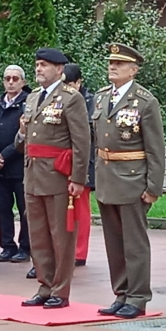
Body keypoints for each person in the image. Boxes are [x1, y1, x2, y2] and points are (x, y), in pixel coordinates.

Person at [94, 43, 165, 319]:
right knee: (114, 242)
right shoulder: (101, 98)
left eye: (120, 64)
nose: (113, 66)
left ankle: (137, 297)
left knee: (134, 244)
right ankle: (121, 293)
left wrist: (153, 187)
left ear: (133, 70)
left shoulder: (145, 101)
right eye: (111, 62)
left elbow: (155, 148)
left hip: (133, 180)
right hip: (107, 178)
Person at [16, 48, 90, 309]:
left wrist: (78, 177)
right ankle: (45, 285)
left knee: (61, 235)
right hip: (33, 174)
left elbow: (81, 141)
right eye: (37, 64)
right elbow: (23, 140)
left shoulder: (71, 98)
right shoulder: (33, 97)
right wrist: (22, 133)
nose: (39, 69)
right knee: (38, 235)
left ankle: (61, 289)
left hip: (58, 175)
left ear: (59, 69)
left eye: (45, 65)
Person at [0, 65, 30, 265]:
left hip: (19, 166)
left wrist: (3, 155)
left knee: (24, 209)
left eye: (15, 78)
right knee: (3, 208)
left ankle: (25, 247)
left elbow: (25, 135)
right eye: (7, 78)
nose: (11, 82)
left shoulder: (27, 104)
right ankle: (7, 245)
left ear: (23, 81)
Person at [63, 62, 95, 267]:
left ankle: (80, 253)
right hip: (60, 161)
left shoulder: (89, 101)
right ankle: (64, 249)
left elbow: (88, 135)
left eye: (69, 84)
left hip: (83, 161)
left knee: (80, 209)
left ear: (79, 83)